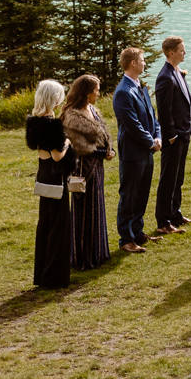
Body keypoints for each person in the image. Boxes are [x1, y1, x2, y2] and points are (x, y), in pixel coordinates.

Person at [62, 74, 114, 270]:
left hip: (97, 165)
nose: (98, 94)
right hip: (82, 168)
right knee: (84, 212)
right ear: (87, 92)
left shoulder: (92, 110)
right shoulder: (72, 115)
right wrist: (103, 152)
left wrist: (109, 149)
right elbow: (79, 145)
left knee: (97, 207)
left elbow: (103, 135)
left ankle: (98, 253)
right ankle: (83, 257)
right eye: (96, 90)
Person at [112, 47, 161, 254]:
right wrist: (151, 142)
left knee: (142, 193)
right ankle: (126, 238)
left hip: (146, 151)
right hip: (133, 153)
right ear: (133, 63)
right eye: (142, 60)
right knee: (130, 194)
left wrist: (157, 135)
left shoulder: (140, 87)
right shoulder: (123, 91)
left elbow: (152, 116)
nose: (144, 63)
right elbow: (132, 125)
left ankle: (138, 232)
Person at [26, 80, 73, 289]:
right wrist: (68, 142)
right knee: (59, 226)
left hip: (43, 175)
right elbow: (57, 155)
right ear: (54, 98)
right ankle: (54, 276)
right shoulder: (53, 125)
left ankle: (42, 273)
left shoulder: (34, 122)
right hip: (56, 177)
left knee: (45, 224)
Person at [155, 35, 191, 234]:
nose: (185, 52)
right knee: (168, 178)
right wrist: (171, 135)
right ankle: (163, 221)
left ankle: (176, 214)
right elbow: (164, 110)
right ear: (171, 52)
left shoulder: (177, 72)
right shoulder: (165, 77)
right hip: (174, 137)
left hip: (185, 133)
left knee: (178, 177)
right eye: (182, 50)